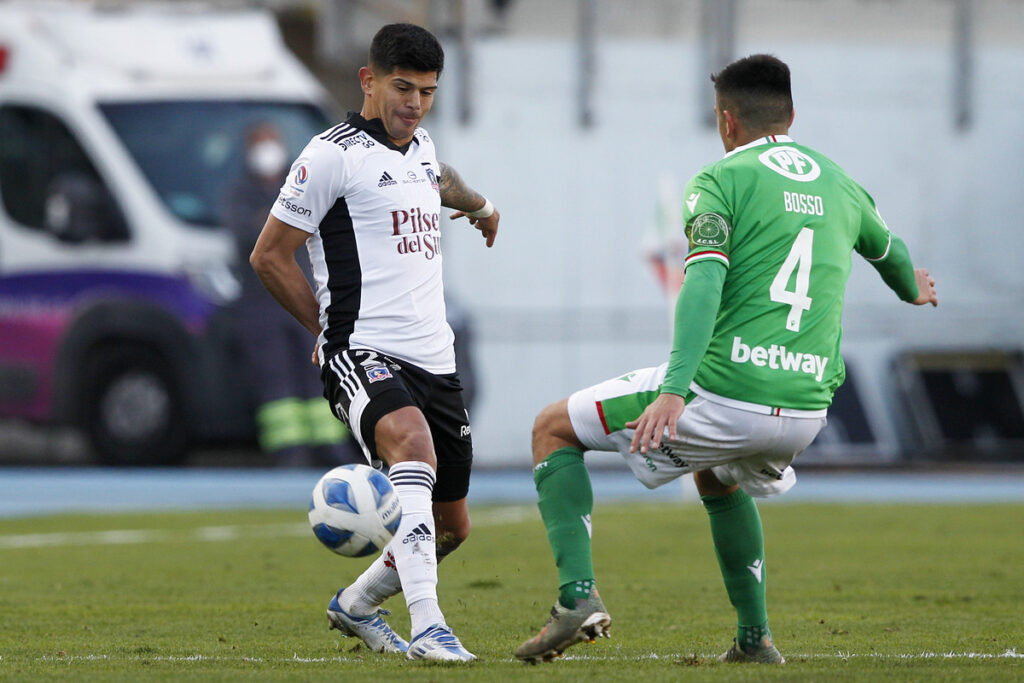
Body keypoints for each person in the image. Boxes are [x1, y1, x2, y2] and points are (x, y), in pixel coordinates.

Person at [514, 54, 938, 665]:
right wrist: (912, 289)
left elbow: (704, 283)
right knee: (716, 472)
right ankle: (754, 639)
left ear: (726, 120)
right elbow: (891, 252)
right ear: (792, 114)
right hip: (806, 412)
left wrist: (675, 388)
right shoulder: (840, 182)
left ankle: (577, 598)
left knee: (551, 428)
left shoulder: (718, 182)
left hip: (725, 394)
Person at [249, 24, 499, 662]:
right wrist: (325, 329)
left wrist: (481, 206)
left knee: (451, 526)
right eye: (403, 87)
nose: (415, 103)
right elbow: (269, 256)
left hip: (434, 359)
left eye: (428, 92)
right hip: (363, 350)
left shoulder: (419, 147)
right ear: (369, 80)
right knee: (411, 446)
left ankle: (356, 604)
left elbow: (437, 177)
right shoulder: (330, 154)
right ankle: (430, 626)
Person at [222, 122, 360, 468]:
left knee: (317, 372)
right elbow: (247, 235)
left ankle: (331, 447)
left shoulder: (299, 182)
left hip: (301, 294)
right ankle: (288, 452)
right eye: (260, 144)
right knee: (275, 381)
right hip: (259, 303)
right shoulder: (240, 192)